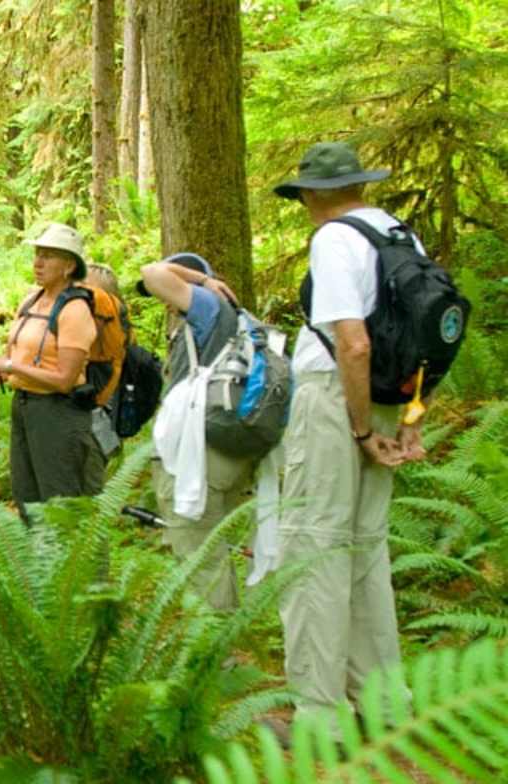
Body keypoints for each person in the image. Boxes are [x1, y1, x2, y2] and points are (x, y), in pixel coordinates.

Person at [272, 141, 426, 736]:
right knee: (365, 552)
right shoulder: (399, 236)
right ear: (359, 184)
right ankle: (384, 704)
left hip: (340, 402)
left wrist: (360, 429)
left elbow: (353, 343)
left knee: (314, 548)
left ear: (312, 194)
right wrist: (409, 421)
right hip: (388, 404)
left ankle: (319, 718)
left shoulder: (335, 239)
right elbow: (432, 337)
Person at [137, 253, 249, 610]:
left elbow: (151, 271)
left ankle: (216, 658)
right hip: (225, 448)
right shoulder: (232, 321)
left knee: (199, 557)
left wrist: (200, 281)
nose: (165, 304)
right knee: (211, 550)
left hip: (199, 455)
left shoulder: (207, 304)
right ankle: (225, 643)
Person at [0, 223, 104, 520]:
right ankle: (37, 564)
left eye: (48, 255)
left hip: (58, 414)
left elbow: (65, 379)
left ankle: (71, 566)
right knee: (27, 499)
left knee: (59, 502)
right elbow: (19, 359)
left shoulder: (75, 310)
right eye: (37, 254)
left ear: (69, 265)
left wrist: (8, 366)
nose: (38, 262)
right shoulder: (31, 301)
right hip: (24, 407)